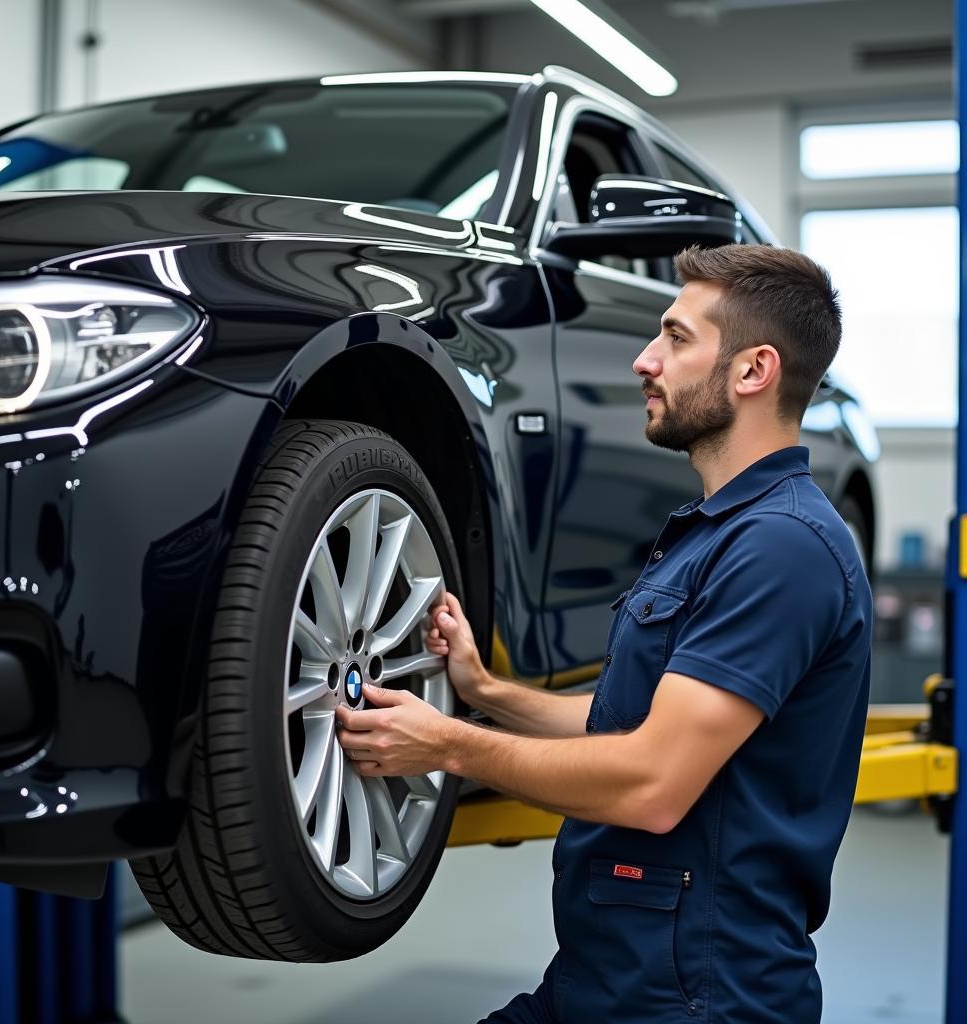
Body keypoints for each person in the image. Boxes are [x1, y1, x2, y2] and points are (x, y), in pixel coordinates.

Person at [335, 243, 872, 1024]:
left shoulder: (782, 548)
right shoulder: (715, 535)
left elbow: (653, 784)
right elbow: (629, 721)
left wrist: (449, 745)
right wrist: (484, 691)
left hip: (699, 996)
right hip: (608, 976)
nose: (644, 361)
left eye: (677, 338)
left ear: (754, 371)